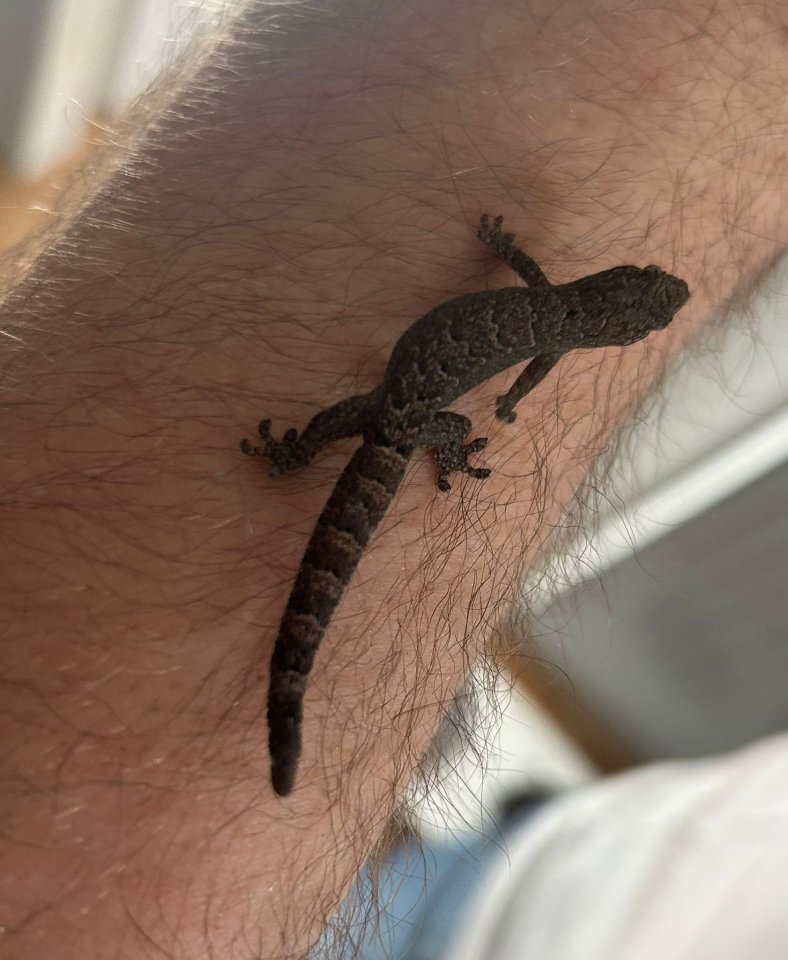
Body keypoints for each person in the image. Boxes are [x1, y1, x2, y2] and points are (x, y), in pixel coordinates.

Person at [0, 1, 784, 957]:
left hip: (399, 411)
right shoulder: (552, 341)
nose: (655, 299)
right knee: (381, 457)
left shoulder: (549, 301)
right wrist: (479, 427)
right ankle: (332, 507)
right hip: (414, 419)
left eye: (648, 303)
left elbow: (519, 276)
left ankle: (296, 469)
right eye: (651, 296)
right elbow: (523, 380)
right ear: (609, 321)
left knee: (354, 445)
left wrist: (492, 275)